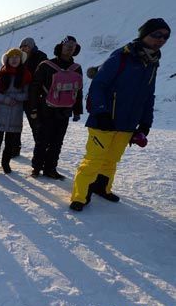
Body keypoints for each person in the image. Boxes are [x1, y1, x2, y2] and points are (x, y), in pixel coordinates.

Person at [70, 18, 170, 211]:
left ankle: (102, 187)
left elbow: (149, 95)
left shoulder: (152, 63)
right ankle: (80, 196)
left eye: (165, 37)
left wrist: (146, 123)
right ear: (144, 35)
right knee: (94, 160)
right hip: (103, 121)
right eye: (156, 34)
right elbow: (98, 84)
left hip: (127, 124)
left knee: (112, 160)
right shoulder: (121, 57)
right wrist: (101, 112)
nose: (161, 39)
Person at [29, 36, 83, 180]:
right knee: (42, 140)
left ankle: (50, 169)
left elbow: (78, 90)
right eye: (67, 45)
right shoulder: (46, 65)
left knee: (57, 142)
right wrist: (33, 108)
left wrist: (77, 110)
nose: (70, 47)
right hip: (45, 109)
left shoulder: (77, 68)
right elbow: (35, 87)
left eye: (73, 45)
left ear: (75, 49)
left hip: (64, 111)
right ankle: (36, 168)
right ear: (60, 46)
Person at [0, 48, 32, 173]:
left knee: (10, 143)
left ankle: (5, 163)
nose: (14, 59)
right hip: (1, 113)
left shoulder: (25, 75)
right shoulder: (2, 74)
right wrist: (6, 100)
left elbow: (27, 95)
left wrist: (15, 97)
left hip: (15, 114)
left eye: (17, 57)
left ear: (20, 60)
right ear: (7, 60)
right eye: (12, 57)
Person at [11, 37, 48, 157]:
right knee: (15, 124)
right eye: (22, 46)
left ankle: (41, 151)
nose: (24, 48)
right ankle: (15, 148)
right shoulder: (19, 58)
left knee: (36, 125)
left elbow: (43, 77)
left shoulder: (40, 57)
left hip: (33, 97)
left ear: (32, 47)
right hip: (19, 95)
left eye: (26, 46)